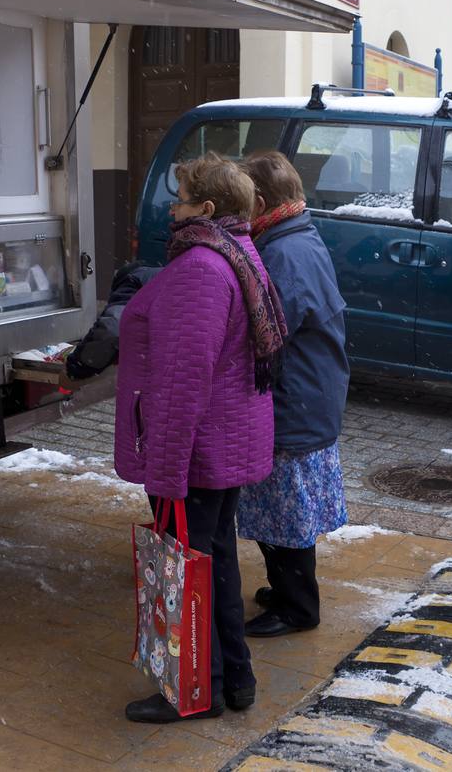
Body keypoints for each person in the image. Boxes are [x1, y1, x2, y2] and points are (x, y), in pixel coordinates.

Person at [113, 153, 287, 723]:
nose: (173, 207)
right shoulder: (241, 253)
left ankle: (195, 690)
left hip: (196, 449)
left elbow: (184, 379)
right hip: (224, 443)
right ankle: (235, 679)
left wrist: (166, 469)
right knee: (215, 565)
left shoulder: (200, 269)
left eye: (182, 197)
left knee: (189, 566)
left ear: (207, 208)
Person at [236, 151, 351, 639]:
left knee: (286, 513)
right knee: (281, 509)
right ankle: (285, 591)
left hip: (294, 400)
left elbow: (265, 333)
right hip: (308, 393)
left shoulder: (283, 252)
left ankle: (298, 607)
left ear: (259, 201)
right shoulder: (296, 234)